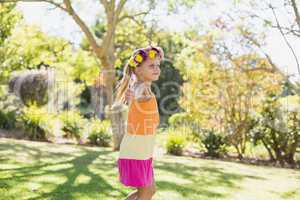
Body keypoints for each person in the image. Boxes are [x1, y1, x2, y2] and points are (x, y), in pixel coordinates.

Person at [114, 45, 164, 200]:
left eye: (158, 65)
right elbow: (136, 94)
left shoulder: (144, 87)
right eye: (151, 66)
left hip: (143, 148)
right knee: (145, 193)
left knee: (150, 190)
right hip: (137, 149)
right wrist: (133, 97)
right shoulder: (140, 88)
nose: (156, 69)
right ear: (138, 70)